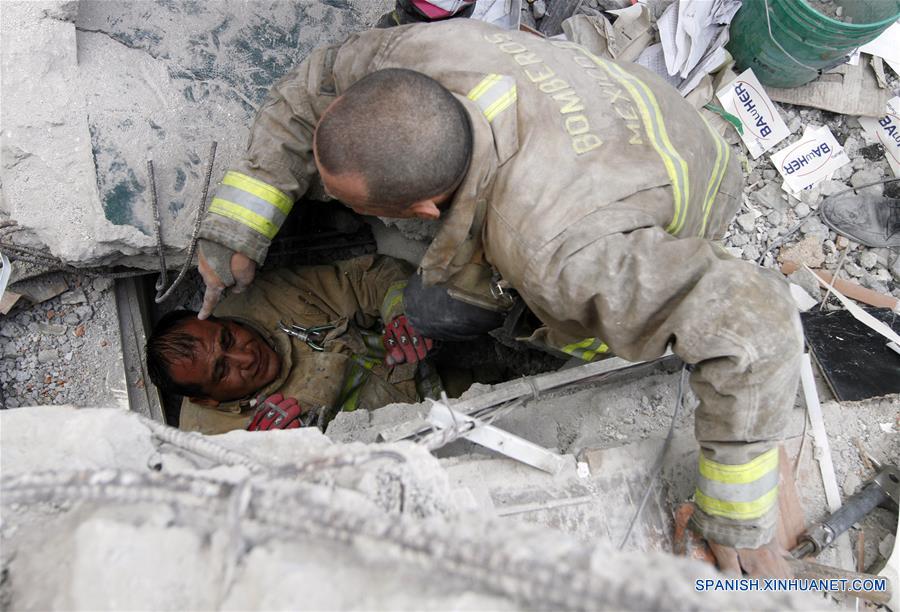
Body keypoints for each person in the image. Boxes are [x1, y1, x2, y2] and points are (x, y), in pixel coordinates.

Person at [193, 20, 802, 576]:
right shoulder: (412, 53)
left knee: (438, 309)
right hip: (640, 125)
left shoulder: (560, 256)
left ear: (422, 212)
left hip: (691, 189)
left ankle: (565, 347)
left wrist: (737, 516)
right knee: (434, 304)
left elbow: (756, 327)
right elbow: (309, 90)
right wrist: (239, 225)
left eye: (352, 204)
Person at [146, 255, 436, 434]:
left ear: (218, 318)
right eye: (222, 370)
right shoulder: (214, 443)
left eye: (227, 338)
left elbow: (371, 277)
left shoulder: (270, 297)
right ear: (206, 400)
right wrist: (270, 457)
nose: (245, 358)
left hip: (440, 382)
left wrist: (402, 310)